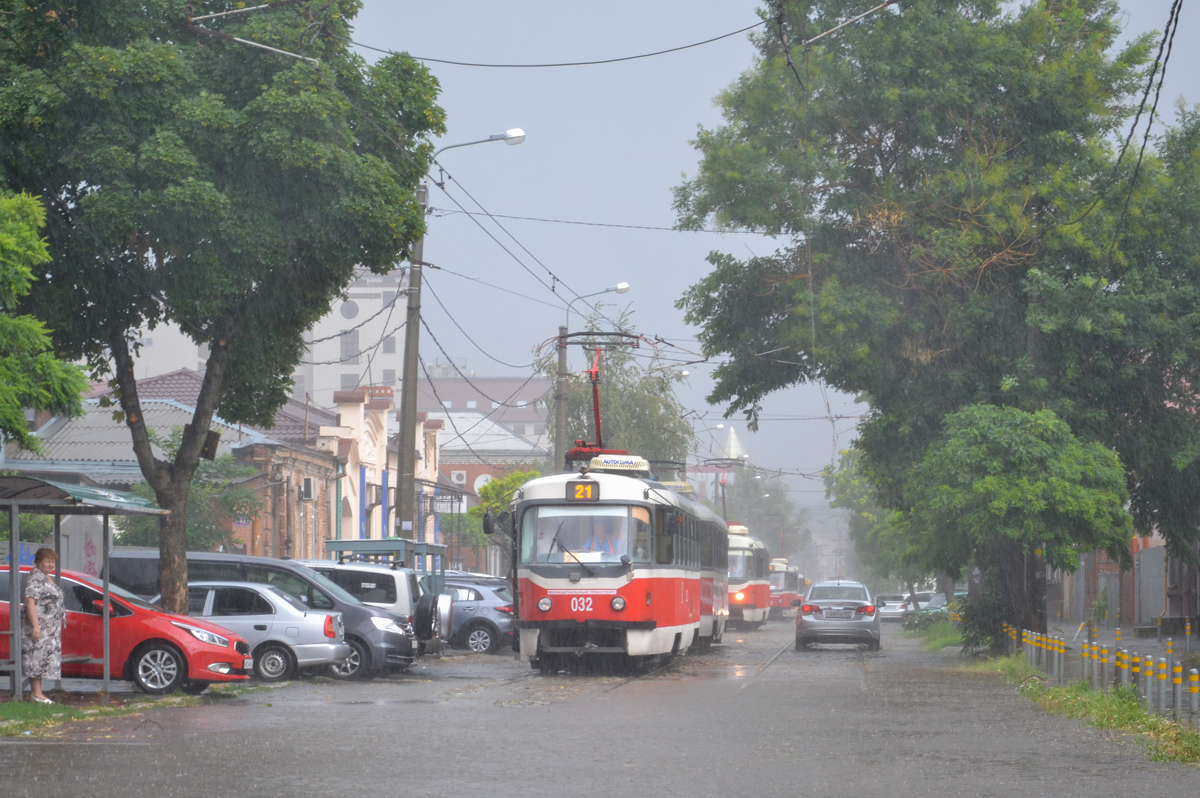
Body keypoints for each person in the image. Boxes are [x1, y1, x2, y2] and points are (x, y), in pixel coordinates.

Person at [22, 547, 64, 704]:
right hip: (40, 627)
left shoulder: (46, 577)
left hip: (50, 629)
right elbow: (29, 600)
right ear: (38, 562)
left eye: (53, 561)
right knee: (36, 657)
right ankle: (36, 693)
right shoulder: (35, 578)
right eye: (47, 561)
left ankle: (38, 693)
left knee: (43, 659)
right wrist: (36, 626)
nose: (51, 564)